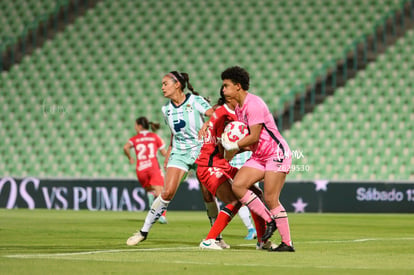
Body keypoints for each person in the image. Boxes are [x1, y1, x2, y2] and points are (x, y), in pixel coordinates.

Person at [126, 71, 219, 246]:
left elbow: (215, 114)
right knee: (166, 192)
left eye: (165, 84)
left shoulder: (195, 101)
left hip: (201, 151)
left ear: (177, 84)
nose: (162, 87)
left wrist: (207, 124)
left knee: (208, 195)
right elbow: (173, 134)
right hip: (180, 153)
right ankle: (143, 231)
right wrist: (169, 153)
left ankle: (217, 237)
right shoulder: (166, 109)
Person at [221, 66, 295, 252]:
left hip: (276, 153)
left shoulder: (254, 104)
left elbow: (253, 137)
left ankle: (287, 244)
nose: (223, 90)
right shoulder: (239, 108)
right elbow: (249, 143)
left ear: (238, 86)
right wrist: (231, 153)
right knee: (238, 185)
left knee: (271, 199)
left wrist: (233, 145)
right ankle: (270, 221)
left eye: (226, 85)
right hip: (260, 156)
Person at [197, 89, 270, 250]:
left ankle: (262, 241)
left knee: (256, 194)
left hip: (221, 163)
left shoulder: (224, 115)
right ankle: (209, 240)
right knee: (235, 200)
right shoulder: (224, 115)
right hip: (209, 166)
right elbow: (229, 144)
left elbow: (229, 144)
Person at [123, 116, 168, 224]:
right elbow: (164, 153)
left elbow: (125, 147)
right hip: (153, 167)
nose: (135, 127)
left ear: (139, 126)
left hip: (141, 168)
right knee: (161, 192)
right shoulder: (155, 136)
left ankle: (150, 198)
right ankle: (161, 216)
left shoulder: (135, 138)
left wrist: (130, 157)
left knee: (150, 190)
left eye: (135, 125)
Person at [229, 151, 257, 240]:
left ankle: (256, 230)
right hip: (236, 168)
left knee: (251, 201)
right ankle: (254, 229)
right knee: (244, 201)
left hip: (248, 167)